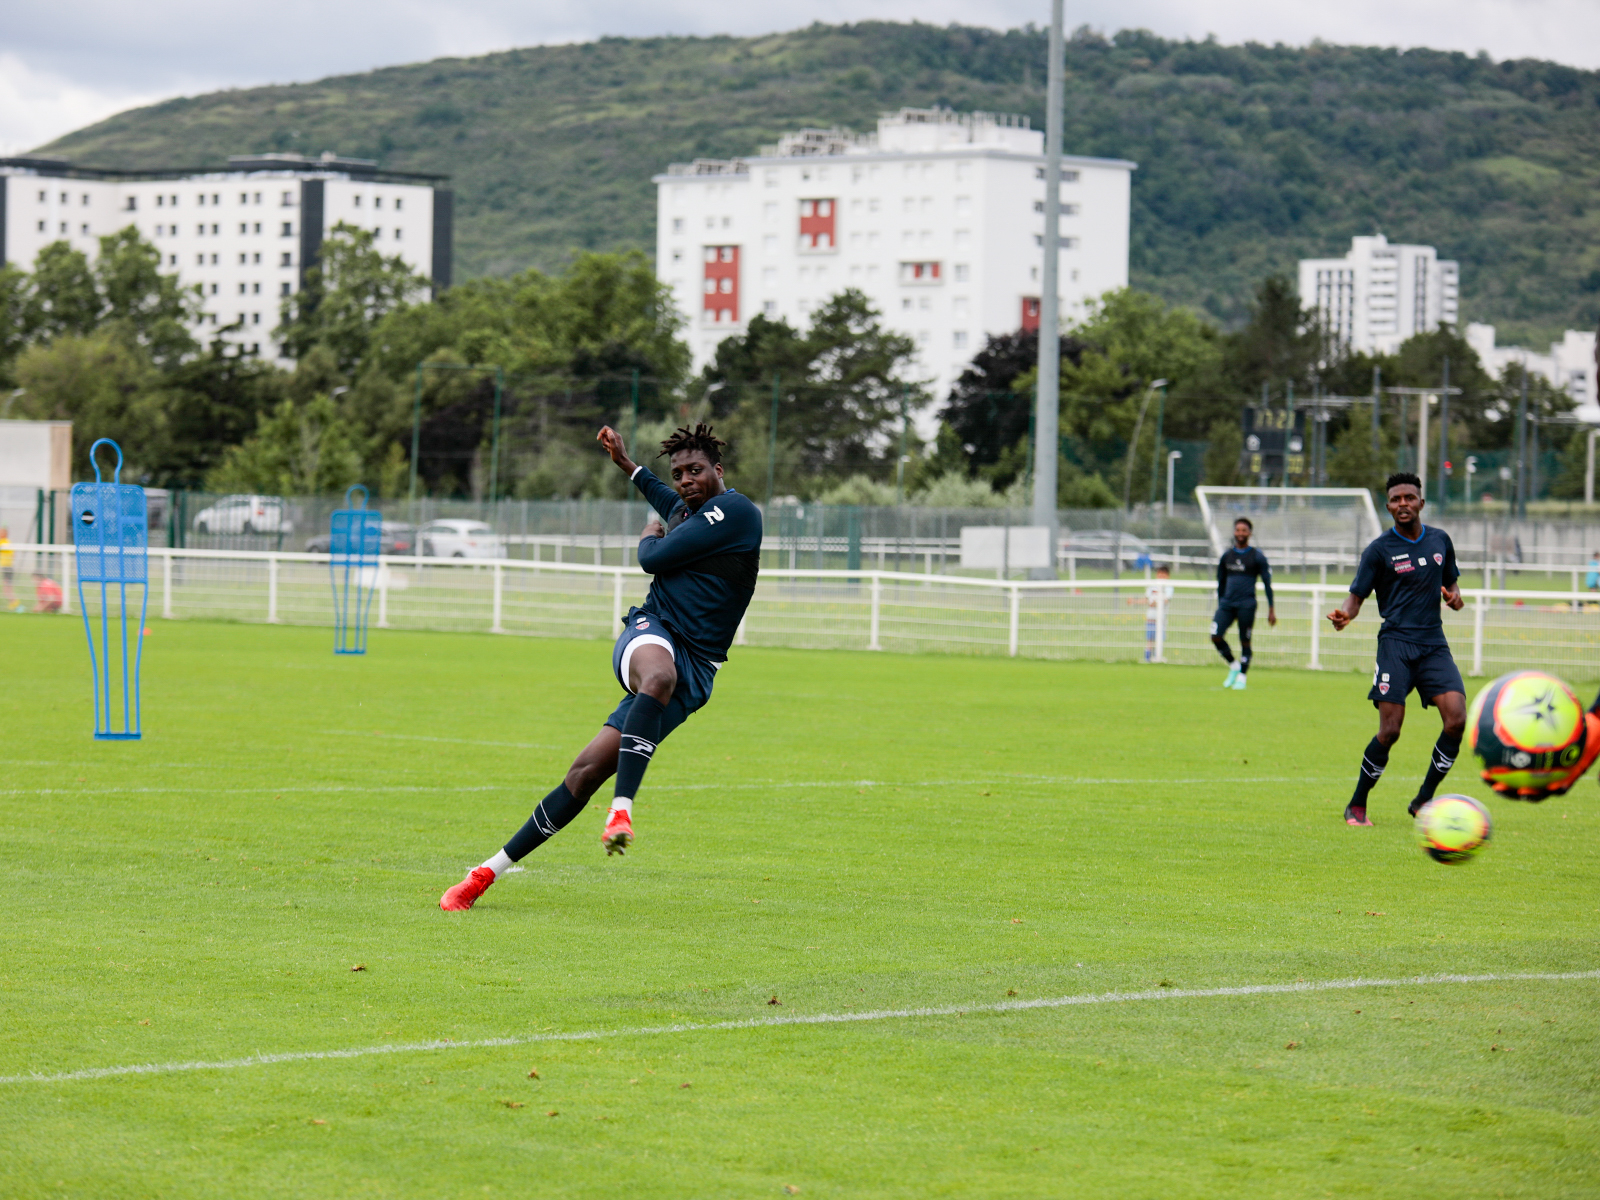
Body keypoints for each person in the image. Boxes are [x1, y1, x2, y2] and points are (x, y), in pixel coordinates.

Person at [439, 422, 763, 911]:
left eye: (695, 470)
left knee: (584, 772)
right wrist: (629, 468)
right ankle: (621, 811)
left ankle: (484, 873)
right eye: (678, 474)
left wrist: (649, 526)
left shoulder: (735, 512)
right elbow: (657, 542)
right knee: (657, 677)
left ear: (718, 471)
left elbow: (656, 548)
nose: (684, 480)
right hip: (651, 633)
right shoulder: (687, 512)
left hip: (698, 667)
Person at [1327, 472, 1466, 827]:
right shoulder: (1379, 550)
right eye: (1395, 499)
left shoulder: (1440, 540)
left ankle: (1424, 799)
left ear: (1421, 502)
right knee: (1390, 730)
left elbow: (1452, 584)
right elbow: (1356, 597)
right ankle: (1357, 805)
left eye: (1408, 497)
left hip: (1433, 644)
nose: (1402, 504)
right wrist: (1346, 615)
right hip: (1396, 645)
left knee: (1457, 720)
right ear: (1388, 506)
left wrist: (1455, 598)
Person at [1212, 518, 1276, 690]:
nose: (1241, 533)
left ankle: (1242, 677)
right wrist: (1220, 604)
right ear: (1234, 532)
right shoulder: (1227, 556)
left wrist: (1271, 609)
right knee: (1215, 636)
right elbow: (1221, 582)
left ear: (1250, 533)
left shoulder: (1257, 556)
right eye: (1238, 530)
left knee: (1245, 641)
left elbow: (1267, 584)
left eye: (1244, 530)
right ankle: (1234, 666)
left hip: (1246, 604)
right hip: (1227, 604)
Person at [1143, 565, 1173, 663]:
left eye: (1163, 575)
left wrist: (1156, 602)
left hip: (1161, 619)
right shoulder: (1152, 587)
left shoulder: (1168, 588)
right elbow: (1148, 600)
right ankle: (1147, 659)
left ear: (1168, 576)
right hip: (1151, 618)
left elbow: (1165, 600)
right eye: (1159, 574)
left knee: (1159, 640)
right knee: (1149, 640)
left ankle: (1157, 657)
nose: (1161, 577)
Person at [0, 527, 19, 612]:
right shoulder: (5, 542)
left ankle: (15, 604)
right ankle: (13, 604)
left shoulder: (5, 543)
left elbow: (12, 554)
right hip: (6, 568)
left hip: (8, 568)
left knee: (7, 588)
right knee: (6, 588)